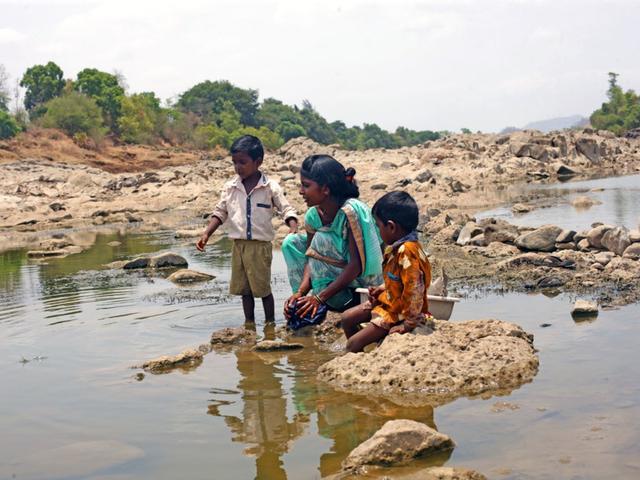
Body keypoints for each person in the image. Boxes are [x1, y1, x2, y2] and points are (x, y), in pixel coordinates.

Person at [196, 135, 298, 323]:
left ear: (258, 162)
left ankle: (270, 324)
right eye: (234, 162)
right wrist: (206, 233)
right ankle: (249, 323)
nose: (238, 167)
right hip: (238, 246)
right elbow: (220, 212)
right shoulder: (231, 187)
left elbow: (286, 208)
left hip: (260, 247)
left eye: (242, 162)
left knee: (263, 289)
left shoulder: (269, 187)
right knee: (244, 290)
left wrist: (292, 226)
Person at [282, 155, 383, 323]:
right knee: (290, 243)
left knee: (322, 238)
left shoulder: (351, 212)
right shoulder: (313, 216)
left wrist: (319, 298)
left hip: (360, 286)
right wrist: (300, 293)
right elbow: (310, 259)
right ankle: (318, 301)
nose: (301, 191)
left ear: (325, 189)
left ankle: (332, 300)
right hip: (332, 280)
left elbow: (356, 265)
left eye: (306, 186)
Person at [341, 191, 432, 353]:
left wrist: (408, 324)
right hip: (390, 301)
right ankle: (365, 350)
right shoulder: (397, 247)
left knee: (352, 344)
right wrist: (382, 288)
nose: (378, 231)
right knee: (346, 318)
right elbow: (398, 279)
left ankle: (359, 353)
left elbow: (415, 290)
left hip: (400, 312)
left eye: (378, 226)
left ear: (391, 227)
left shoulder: (407, 251)